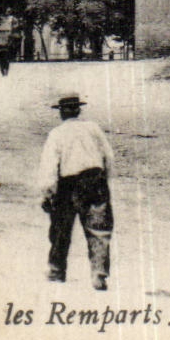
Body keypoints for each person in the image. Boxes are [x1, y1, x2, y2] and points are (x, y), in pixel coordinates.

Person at [36, 92, 113, 289]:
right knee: (98, 229)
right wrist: (104, 181)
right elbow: (108, 157)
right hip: (95, 180)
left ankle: (56, 270)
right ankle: (99, 273)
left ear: (61, 112)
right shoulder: (93, 128)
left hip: (68, 184)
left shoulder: (57, 134)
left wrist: (47, 193)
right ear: (78, 110)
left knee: (61, 229)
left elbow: (49, 167)